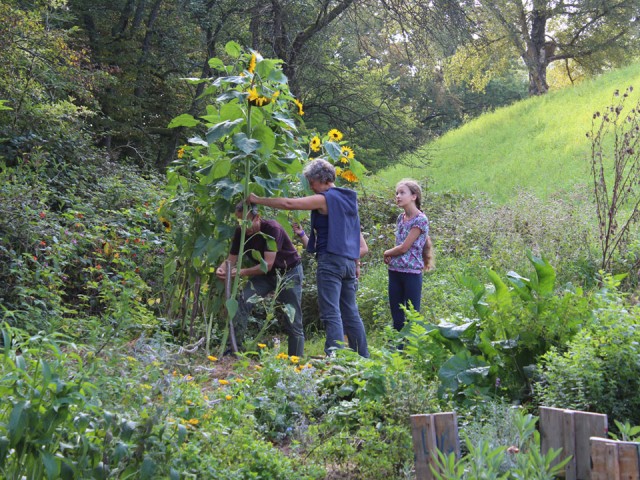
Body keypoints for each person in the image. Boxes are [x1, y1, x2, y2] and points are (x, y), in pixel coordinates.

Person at [248, 158, 369, 357]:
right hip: (348, 263)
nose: (311, 187)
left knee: (331, 313)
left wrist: (257, 199)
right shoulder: (349, 199)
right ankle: (362, 357)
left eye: (311, 182)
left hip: (330, 262)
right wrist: (355, 263)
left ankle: (335, 358)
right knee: (351, 313)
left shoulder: (325, 198)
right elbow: (353, 234)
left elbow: (289, 203)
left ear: (320, 178)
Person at [216, 202, 305, 356]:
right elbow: (231, 260)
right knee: (243, 301)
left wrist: (240, 272)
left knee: (292, 316)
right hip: (264, 276)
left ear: (257, 217)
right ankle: (233, 351)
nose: (243, 225)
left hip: (288, 273)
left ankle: (295, 360)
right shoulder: (240, 232)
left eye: (246, 220)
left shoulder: (272, 229)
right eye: (239, 220)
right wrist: (222, 268)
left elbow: (267, 265)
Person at [383, 179, 434, 332]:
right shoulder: (401, 218)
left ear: (414, 196)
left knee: (412, 316)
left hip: (411, 273)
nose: (398, 196)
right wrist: (392, 255)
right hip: (395, 271)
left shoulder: (420, 220)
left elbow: (404, 247)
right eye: (397, 193)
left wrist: (387, 252)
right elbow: (399, 243)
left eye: (402, 193)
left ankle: (413, 352)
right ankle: (398, 351)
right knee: (397, 317)